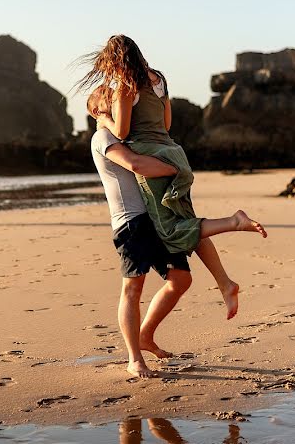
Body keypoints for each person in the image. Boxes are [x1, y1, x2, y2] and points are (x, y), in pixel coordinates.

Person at [88, 88, 249, 378]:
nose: (114, 103)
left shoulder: (127, 136)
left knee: (180, 279)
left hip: (154, 218)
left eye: (115, 100)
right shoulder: (103, 138)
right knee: (133, 288)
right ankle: (134, 358)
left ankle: (145, 335)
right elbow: (137, 165)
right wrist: (176, 169)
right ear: (95, 111)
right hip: (130, 223)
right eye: (106, 101)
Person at [78, 36, 268, 257]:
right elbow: (167, 124)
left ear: (115, 61)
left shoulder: (126, 85)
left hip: (150, 155)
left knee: (169, 230)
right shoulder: (159, 79)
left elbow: (121, 132)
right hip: (173, 152)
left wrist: (103, 120)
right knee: (186, 219)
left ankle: (234, 221)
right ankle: (225, 284)